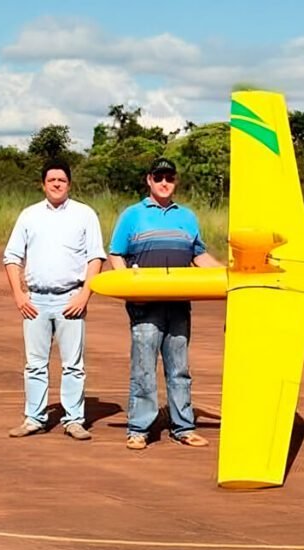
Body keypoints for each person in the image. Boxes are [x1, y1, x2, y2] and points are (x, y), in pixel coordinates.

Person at [108, 157, 223, 450]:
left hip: (178, 305)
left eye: (169, 178)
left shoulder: (187, 217)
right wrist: (128, 286)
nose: (164, 183)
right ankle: (139, 428)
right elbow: (116, 253)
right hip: (145, 305)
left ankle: (183, 426)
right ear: (149, 180)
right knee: (144, 368)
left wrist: (226, 275)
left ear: (175, 181)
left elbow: (199, 256)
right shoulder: (132, 215)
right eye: (158, 177)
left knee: (179, 368)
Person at [3, 159, 107, 441]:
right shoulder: (29, 215)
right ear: (43, 184)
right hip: (35, 300)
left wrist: (85, 295)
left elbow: (95, 257)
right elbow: (11, 257)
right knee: (35, 363)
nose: (57, 184)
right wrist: (18, 294)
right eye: (52, 180)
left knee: (73, 364)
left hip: (71, 298)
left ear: (69, 184)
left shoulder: (85, 215)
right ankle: (34, 418)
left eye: (62, 180)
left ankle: (73, 419)